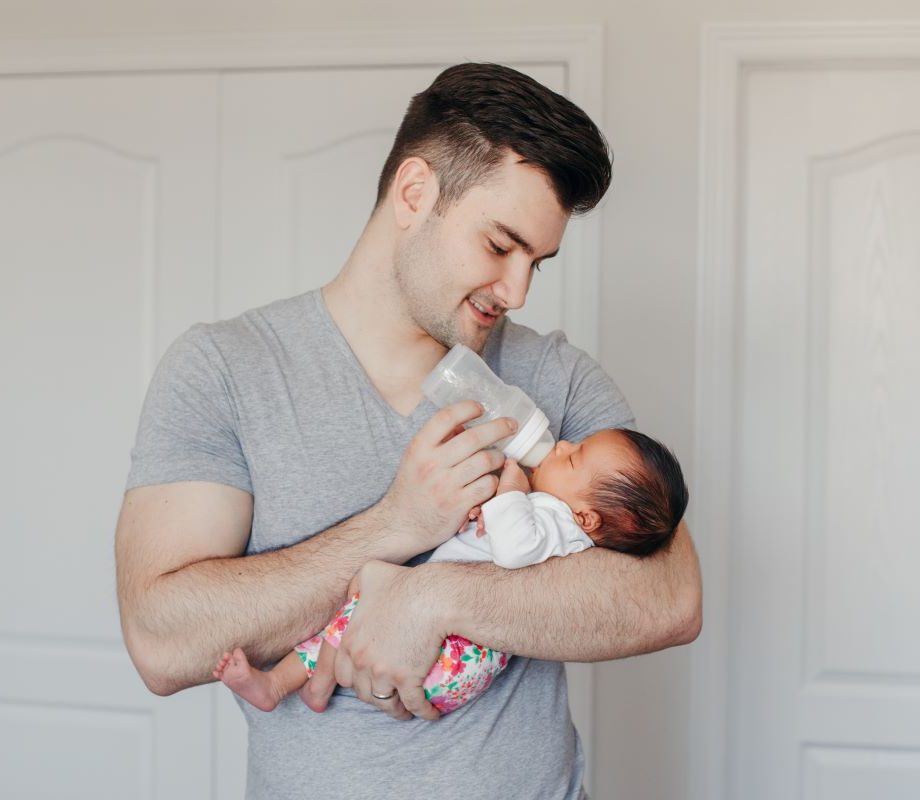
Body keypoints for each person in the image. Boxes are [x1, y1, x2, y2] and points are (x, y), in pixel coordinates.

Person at [115, 62, 702, 799]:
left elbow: (672, 597)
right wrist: (394, 525)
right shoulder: (226, 370)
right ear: (415, 193)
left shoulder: (555, 376)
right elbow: (160, 642)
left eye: (537, 264)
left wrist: (432, 600)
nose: (516, 291)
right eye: (499, 246)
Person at [214, 427, 688, 715]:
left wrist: (511, 489)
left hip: (456, 659)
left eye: (574, 457)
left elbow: (517, 548)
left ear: (587, 518)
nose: (561, 444)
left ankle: (278, 684)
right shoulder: (563, 523)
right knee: (365, 594)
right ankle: (310, 682)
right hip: (452, 663)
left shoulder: (560, 523)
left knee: (360, 600)